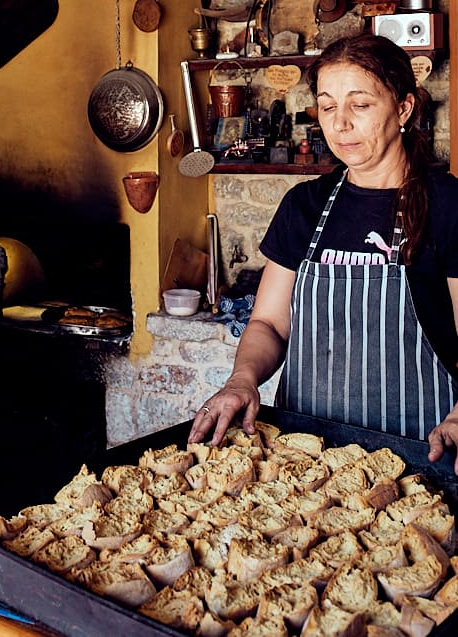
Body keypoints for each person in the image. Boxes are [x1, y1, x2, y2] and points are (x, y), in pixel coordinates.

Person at [189, 33, 458, 473]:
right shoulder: (305, 205)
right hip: (305, 454)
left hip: (419, 453)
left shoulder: (449, 205)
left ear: (404, 109)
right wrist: (242, 380)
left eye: (361, 105)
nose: (341, 123)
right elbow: (269, 323)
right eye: (328, 106)